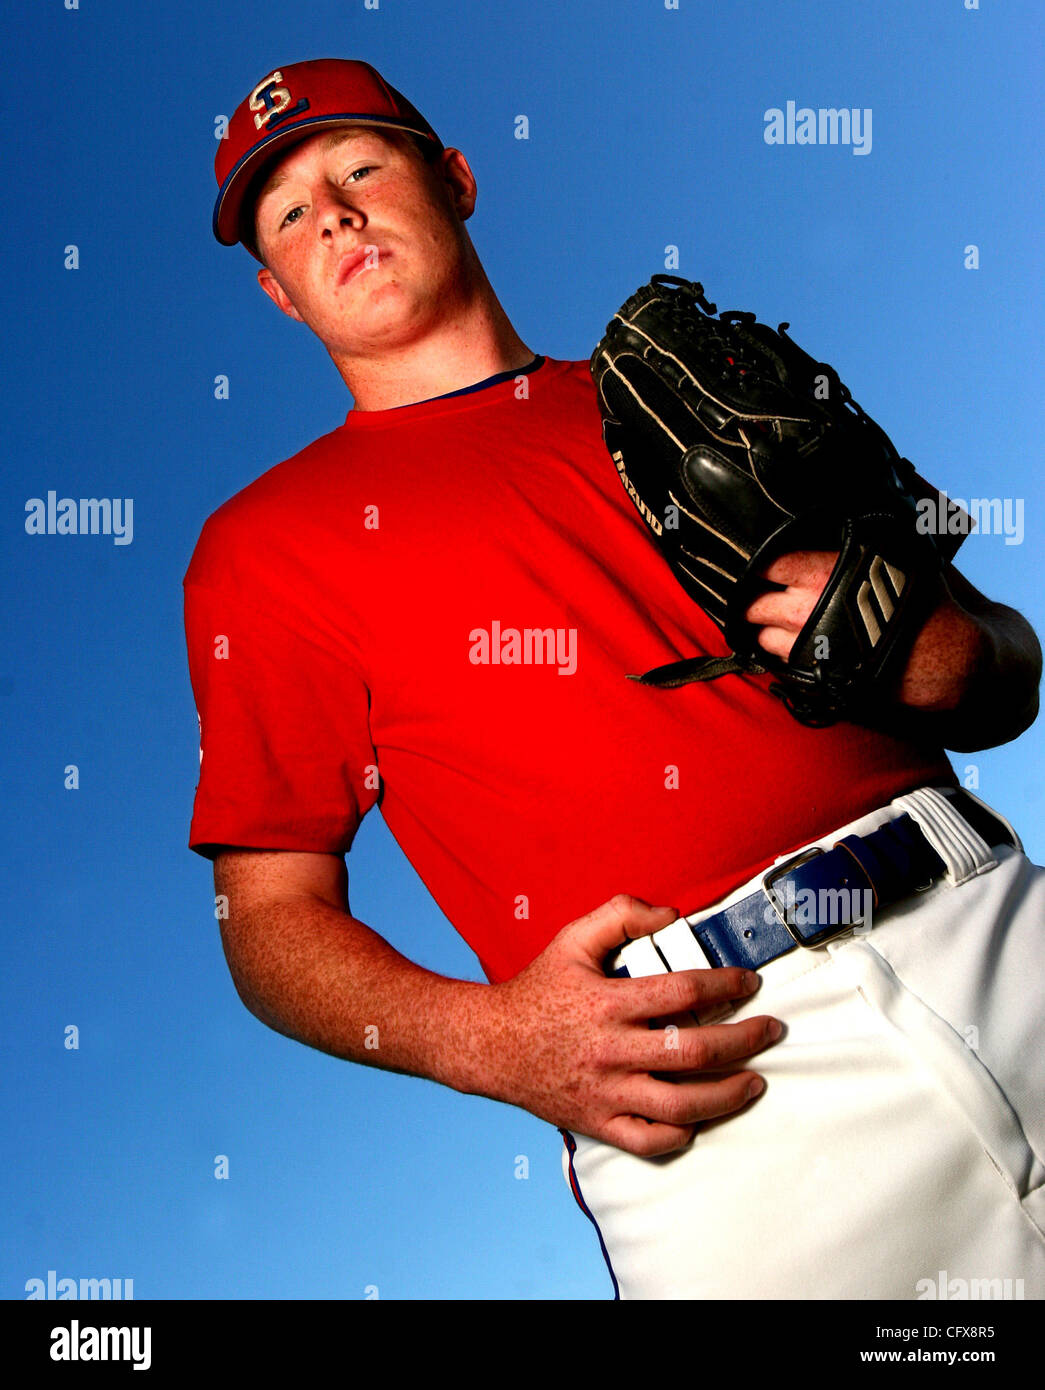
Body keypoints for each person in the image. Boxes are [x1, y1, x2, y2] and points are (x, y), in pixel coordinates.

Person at [185, 58, 1045, 1299]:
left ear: (456, 179)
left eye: (361, 166)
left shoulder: (719, 399)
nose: (335, 211)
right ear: (278, 292)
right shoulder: (261, 550)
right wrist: (485, 1040)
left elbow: (1008, 664)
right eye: (289, 211)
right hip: (714, 1087)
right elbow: (267, 923)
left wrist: (947, 653)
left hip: (991, 923)